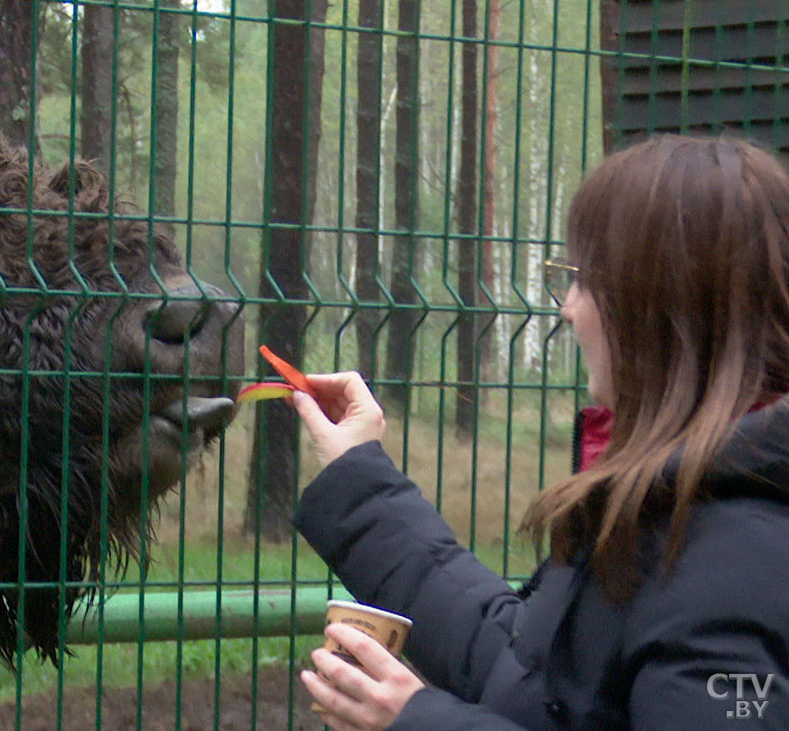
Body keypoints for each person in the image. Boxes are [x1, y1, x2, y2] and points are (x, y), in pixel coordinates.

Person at [290, 135, 789, 729]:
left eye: (582, 279)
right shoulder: (680, 500)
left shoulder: (738, 559)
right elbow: (522, 670)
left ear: (651, 305)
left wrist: (420, 722)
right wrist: (360, 477)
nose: (567, 309)